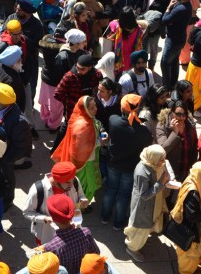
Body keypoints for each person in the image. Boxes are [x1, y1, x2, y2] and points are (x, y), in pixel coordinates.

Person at [103, 94, 153, 229]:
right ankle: (118, 223)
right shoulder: (143, 131)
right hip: (130, 167)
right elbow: (148, 143)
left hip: (113, 164)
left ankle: (105, 216)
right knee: (124, 195)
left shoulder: (113, 121)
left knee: (110, 190)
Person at [51, 96, 104, 201]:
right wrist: (99, 142)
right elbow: (82, 147)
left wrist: (102, 133)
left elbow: (97, 125)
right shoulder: (81, 126)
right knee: (86, 186)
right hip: (85, 163)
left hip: (89, 159)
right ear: (85, 109)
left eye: (95, 106)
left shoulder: (88, 117)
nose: (96, 109)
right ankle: (80, 207)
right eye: (92, 108)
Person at [169, 161, 201, 274]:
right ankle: (183, 273)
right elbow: (192, 215)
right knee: (189, 254)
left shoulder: (196, 180)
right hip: (190, 228)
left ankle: (190, 268)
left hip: (192, 227)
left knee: (193, 254)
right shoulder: (193, 191)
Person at [23, 162, 87, 245]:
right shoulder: (37, 190)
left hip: (72, 231)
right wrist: (45, 219)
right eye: (68, 182)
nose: (71, 185)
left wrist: (83, 200)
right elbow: (27, 212)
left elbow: (81, 195)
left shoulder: (74, 181)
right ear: (56, 180)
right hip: (48, 236)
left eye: (72, 180)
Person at [124, 144, 169, 262]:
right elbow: (144, 195)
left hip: (152, 204)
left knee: (147, 226)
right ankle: (132, 248)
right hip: (143, 207)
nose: (163, 162)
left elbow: (164, 170)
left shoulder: (153, 162)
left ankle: (142, 240)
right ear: (153, 158)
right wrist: (161, 183)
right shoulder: (142, 172)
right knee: (140, 229)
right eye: (161, 159)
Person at [42, 194, 100, 274]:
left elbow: (50, 272)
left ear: (53, 218)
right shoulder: (86, 233)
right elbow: (96, 253)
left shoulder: (51, 247)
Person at [161, 0, 192, 89]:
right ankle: (173, 84)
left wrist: (168, 8)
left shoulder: (179, 9)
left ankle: (166, 87)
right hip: (180, 39)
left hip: (173, 40)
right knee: (174, 61)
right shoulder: (188, 5)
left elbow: (165, 20)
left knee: (165, 63)